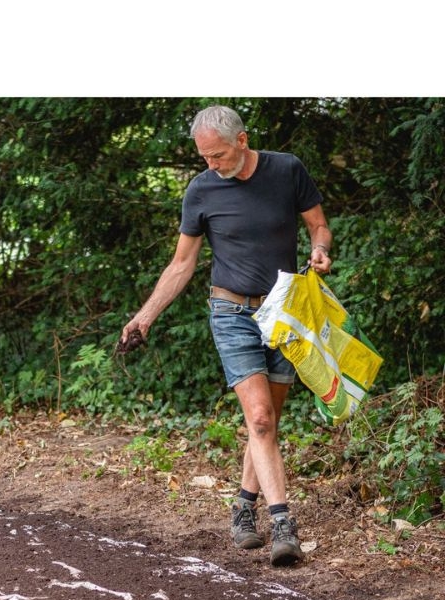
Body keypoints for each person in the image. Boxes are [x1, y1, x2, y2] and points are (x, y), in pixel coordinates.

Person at [119, 104, 332, 567]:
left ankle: (242, 503)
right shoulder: (201, 190)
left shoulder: (286, 170)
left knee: (267, 422)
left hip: (284, 312)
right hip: (230, 311)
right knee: (258, 418)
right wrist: (145, 316)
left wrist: (318, 249)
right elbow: (182, 264)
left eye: (216, 155)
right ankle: (282, 524)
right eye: (204, 157)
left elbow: (317, 223)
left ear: (242, 140)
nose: (210, 165)